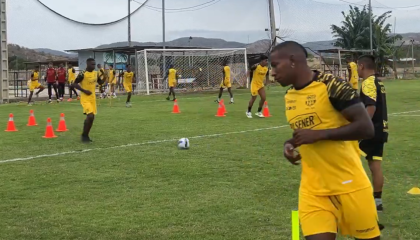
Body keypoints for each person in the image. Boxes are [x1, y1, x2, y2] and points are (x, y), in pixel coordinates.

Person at [270, 41, 383, 240]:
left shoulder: (332, 85)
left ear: (293, 61)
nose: (272, 72)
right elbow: (306, 133)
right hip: (313, 190)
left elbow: (366, 127)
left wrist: (320, 135)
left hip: (350, 185)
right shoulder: (290, 96)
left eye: (275, 65)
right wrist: (290, 144)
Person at [357, 55, 388, 213]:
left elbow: (371, 107)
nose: (356, 70)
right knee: (375, 165)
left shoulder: (368, 82)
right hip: (381, 130)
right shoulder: (379, 82)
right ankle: (378, 202)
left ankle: (353, 197)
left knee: (349, 160)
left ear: (362, 66)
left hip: (370, 130)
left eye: (357, 66)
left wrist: (361, 127)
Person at [72, 58, 105, 143]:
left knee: (92, 118)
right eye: (92, 64)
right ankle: (84, 135)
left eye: (94, 64)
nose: (93, 66)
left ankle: (85, 135)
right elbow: (74, 84)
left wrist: (105, 77)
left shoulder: (96, 73)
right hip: (85, 98)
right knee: (90, 116)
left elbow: (100, 82)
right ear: (87, 64)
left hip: (93, 98)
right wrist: (84, 90)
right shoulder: (83, 73)